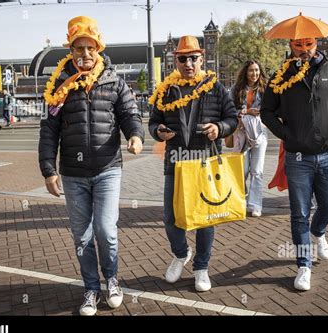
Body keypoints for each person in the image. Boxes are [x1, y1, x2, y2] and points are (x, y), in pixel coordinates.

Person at [38, 16, 145, 316]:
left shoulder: (114, 81)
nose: (85, 55)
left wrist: (135, 136)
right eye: (78, 49)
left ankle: (112, 278)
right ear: (70, 51)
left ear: (99, 48)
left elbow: (130, 114)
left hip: (108, 168)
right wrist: (49, 169)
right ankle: (90, 289)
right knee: (81, 235)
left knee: (105, 230)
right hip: (72, 174)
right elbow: (49, 130)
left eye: (90, 48)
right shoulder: (59, 86)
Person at [261, 36, 328, 291]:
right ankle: (304, 266)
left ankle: (320, 231)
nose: (304, 49)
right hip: (297, 158)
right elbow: (266, 111)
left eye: (308, 44)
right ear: (290, 45)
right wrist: (286, 135)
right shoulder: (280, 75)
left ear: (316, 43)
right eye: (298, 45)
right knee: (299, 214)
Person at [148, 35, 238, 292]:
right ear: (176, 61)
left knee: (205, 218)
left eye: (193, 58)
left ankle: (201, 267)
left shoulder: (216, 88)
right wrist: (158, 132)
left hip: (205, 163)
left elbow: (232, 118)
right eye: (182, 58)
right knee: (170, 217)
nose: (188, 63)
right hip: (175, 163)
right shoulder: (165, 91)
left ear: (202, 59)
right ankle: (181, 253)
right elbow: (153, 122)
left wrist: (219, 127)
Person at [229, 60, 268, 217]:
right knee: (242, 171)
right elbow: (229, 110)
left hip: (259, 134)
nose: (255, 74)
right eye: (251, 70)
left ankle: (256, 205)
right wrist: (245, 112)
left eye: (257, 70)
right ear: (245, 72)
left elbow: (270, 110)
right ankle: (240, 201)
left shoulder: (265, 89)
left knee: (257, 171)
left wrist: (260, 114)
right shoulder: (236, 89)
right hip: (241, 133)